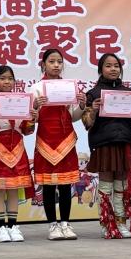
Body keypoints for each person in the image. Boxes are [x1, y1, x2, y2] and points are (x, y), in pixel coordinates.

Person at [31, 49, 86, 241]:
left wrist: (81, 105)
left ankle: (65, 223)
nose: (56, 65)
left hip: (66, 141)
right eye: (52, 61)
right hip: (46, 141)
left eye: (59, 62)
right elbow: (30, 119)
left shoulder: (69, 87)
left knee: (65, 185)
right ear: (43, 64)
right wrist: (35, 106)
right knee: (48, 185)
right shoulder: (36, 88)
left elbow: (74, 117)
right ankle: (52, 225)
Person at [0, 65, 36, 243]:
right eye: (2, 78)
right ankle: (0, 228)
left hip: (17, 148)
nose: (7, 82)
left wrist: (32, 118)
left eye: (10, 78)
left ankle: (12, 225)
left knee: (13, 188)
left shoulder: (22, 101)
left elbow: (27, 130)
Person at [83, 53, 131, 239]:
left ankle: (121, 223)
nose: (113, 69)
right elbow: (87, 123)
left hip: (124, 142)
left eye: (116, 66)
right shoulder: (93, 94)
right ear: (101, 69)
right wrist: (94, 110)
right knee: (106, 185)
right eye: (108, 65)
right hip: (103, 143)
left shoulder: (127, 92)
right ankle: (106, 222)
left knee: (121, 185)